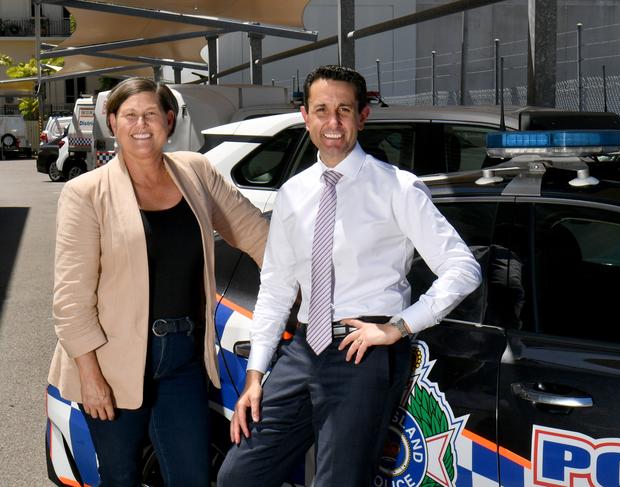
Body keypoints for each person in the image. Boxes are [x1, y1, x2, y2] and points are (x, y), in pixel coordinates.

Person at [217, 65, 482, 487]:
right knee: (239, 476)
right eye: (321, 110)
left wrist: (399, 327)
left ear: (363, 116)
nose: (333, 122)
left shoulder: (398, 187)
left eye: (344, 109)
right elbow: (277, 287)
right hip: (302, 351)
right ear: (305, 116)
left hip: (364, 355)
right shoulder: (293, 193)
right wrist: (255, 375)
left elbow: (462, 267)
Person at [48, 77, 269, 487]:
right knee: (121, 476)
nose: (141, 124)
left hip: (182, 356)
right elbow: (70, 299)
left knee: (192, 476)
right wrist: (91, 378)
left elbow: (256, 234)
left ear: (169, 119)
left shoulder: (196, 171)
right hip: (111, 362)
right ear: (112, 122)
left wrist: (316, 286)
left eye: (151, 113)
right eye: (130, 115)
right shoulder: (86, 193)